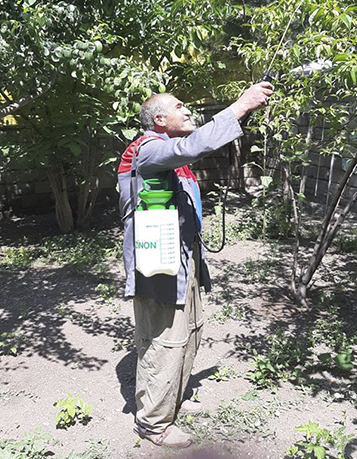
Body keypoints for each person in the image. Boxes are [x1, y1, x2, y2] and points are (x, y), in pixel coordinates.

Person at [116, 82, 273, 448]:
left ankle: (169, 404)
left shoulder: (167, 152)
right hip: (159, 268)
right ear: (159, 119)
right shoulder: (149, 150)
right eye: (180, 107)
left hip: (181, 262)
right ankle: (152, 423)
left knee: (191, 334)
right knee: (165, 342)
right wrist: (241, 106)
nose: (188, 111)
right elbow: (193, 145)